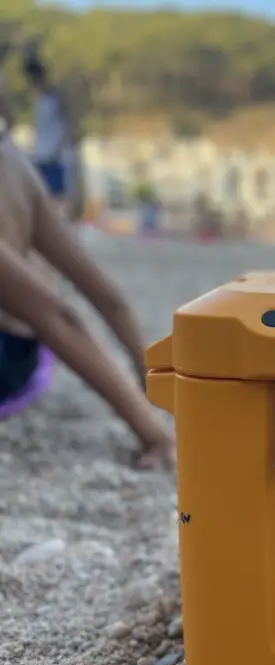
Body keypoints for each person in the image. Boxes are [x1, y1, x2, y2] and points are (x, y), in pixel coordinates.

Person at [0, 125, 175, 469]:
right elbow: (103, 291)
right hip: (30, 359)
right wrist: (149, 377)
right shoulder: (14, 162)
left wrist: (155, 435)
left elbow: (58, 317)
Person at [22, 48, 79, 213]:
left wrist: (64, 147)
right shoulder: (37, 100)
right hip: (41, 155)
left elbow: (68, 123)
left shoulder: (55, 97)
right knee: (43, 197)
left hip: (56, 156)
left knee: (58, 199)